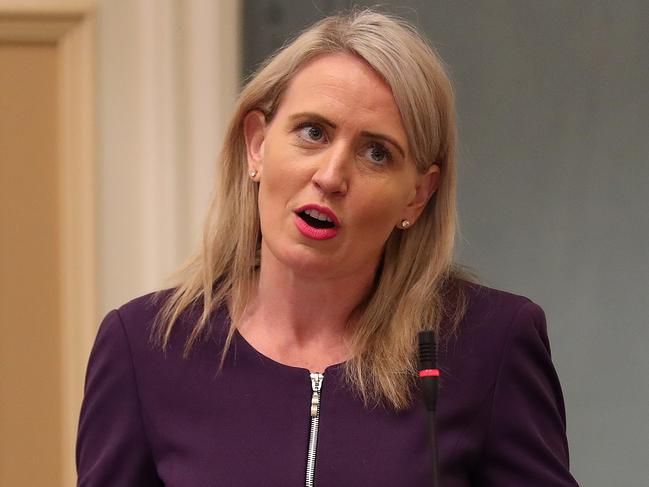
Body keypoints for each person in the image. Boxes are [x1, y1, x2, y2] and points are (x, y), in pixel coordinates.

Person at [76, 9, 579, 487]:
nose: (332, 175)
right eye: (313, 132)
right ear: (257, 144)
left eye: (376, 153)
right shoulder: (144, 347)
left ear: (417, 194)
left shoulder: (490, 344)